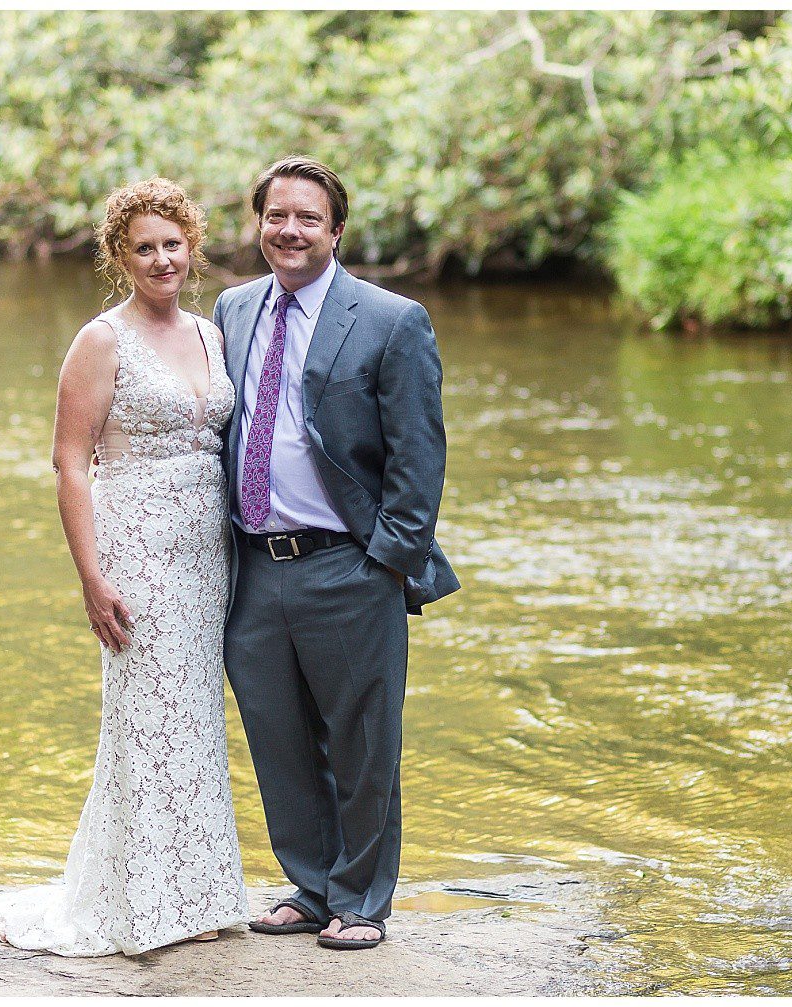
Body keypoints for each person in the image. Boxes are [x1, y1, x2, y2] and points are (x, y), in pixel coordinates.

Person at [0, 178, 248, 956]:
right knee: (144, 717)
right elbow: (69, 464)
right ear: (119, 257)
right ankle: (141, 904)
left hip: (205, 555)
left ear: (191, 247)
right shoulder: (102, 339)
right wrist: (92, 576)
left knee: (194, 716)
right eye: (144, 248)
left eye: (173, 244)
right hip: (136, 551)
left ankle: (199, 893)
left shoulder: (210, 334)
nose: (162, 259)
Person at [214, 156, 460, 951]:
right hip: (254, 565)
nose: (289, 231)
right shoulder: (234, 307)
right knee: (277, 736)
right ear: (260, 223)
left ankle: (361, 901)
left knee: (361, 741)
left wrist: (387, 559)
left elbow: (419, 459)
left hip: (349, 564)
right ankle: (310, 886)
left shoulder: (392, 320)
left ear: (337, 230)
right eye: (276, 216)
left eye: (308, 219)